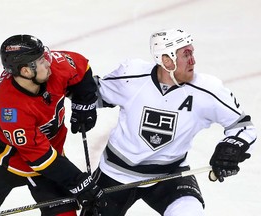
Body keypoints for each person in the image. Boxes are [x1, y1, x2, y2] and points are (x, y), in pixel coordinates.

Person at [81, 29, 257, 216]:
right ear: (166, 60)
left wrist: (231, 148)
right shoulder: (131, 75)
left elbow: (243, 127)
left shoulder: (208, 90)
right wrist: (78, 98)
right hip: (115, 173)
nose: (193, 60)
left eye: (192, 53)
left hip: (171, 175)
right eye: (186, 55)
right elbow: (91, 94)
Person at [0, 34, 106, 215]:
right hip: (4, 162)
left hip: (52, 157)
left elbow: (80, 67)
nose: (49, 62)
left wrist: (85, 104)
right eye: (42, 60)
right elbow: (39, 157)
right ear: (26, 71)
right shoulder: (10, 109)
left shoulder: (54, 68)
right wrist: (78, 182)